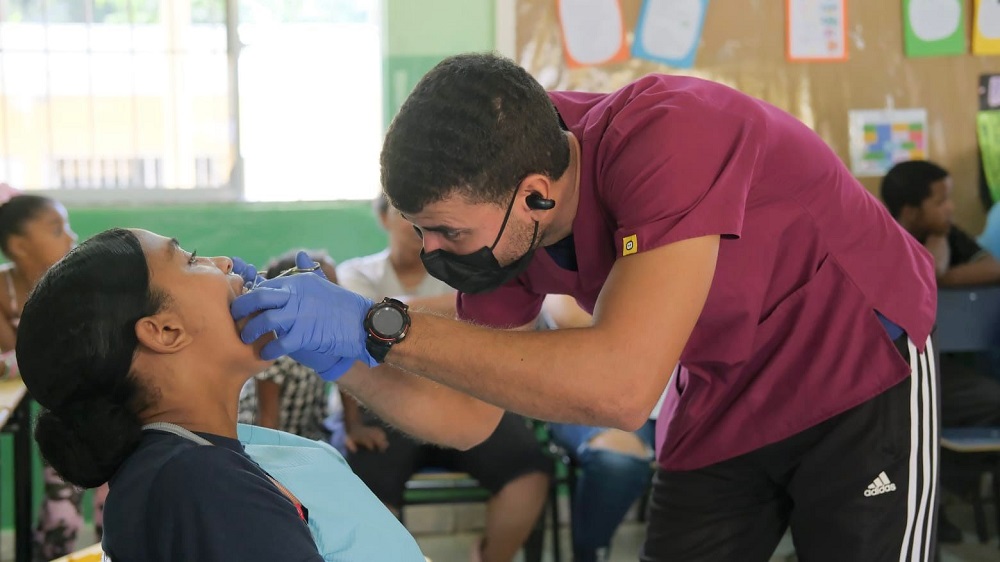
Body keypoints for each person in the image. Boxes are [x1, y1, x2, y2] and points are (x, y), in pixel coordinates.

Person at [232, 53, 939, 561]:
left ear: (537, 195)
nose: (430, 249)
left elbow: (620, 389)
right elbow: (467, 418)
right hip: (723, 384)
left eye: (447, 231)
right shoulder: (502, 214)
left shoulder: (670, 136)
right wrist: (339, 354)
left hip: (852, 363)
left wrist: (375, 323)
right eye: (420, 229)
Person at [16, 228, 425, 561]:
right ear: (165, 332)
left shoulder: (198, 457)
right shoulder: (202, 485)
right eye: (192, 260)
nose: (226, 263)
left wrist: (352, 351)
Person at [336, 194, 551, 562]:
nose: (417, 226)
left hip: (464, 399)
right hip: (384, 407)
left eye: (426, 216)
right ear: (384, 219)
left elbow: (376, 321)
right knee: (365, 484)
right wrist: (454, 310)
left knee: (529, 468)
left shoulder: (460, 272)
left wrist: (391, 314)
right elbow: (359, 328)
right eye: (405, 213)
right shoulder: (357, 273)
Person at [881, 159, 1000, 542]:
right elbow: (920, 278)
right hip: (897, 370)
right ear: (911, 210)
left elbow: (992, 269)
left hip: (940, 370)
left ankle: (953, 497)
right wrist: (933, 266)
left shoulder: (947, 234)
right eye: (941, 201)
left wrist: (941, 269)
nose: (950, 208)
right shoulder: (884, 238)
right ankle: (931, 511)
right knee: (912, 421)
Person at [0, 185, 105, 560]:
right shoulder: (3, 290)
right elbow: (19, 358)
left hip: (108, 409)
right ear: (19, 245)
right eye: (57, 228)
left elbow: (18, 358)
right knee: (62, 516)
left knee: (112, 507)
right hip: (62, 415)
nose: (71, 237)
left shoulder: (79, 287)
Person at [539, 294, 656, 562]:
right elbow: (568, 314)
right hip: (595, 395)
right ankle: (588, 555)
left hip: (684, 396)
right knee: (616, 461)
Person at [238, 250, 338, 441]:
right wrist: (274, 455)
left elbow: (345, 379)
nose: (339, 299)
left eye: (338, 288)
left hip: (308, 432)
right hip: (267, 435)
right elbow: (267, 418)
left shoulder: (331, 336)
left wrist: (354, 427)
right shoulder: (276, 348)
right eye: (327, 290)